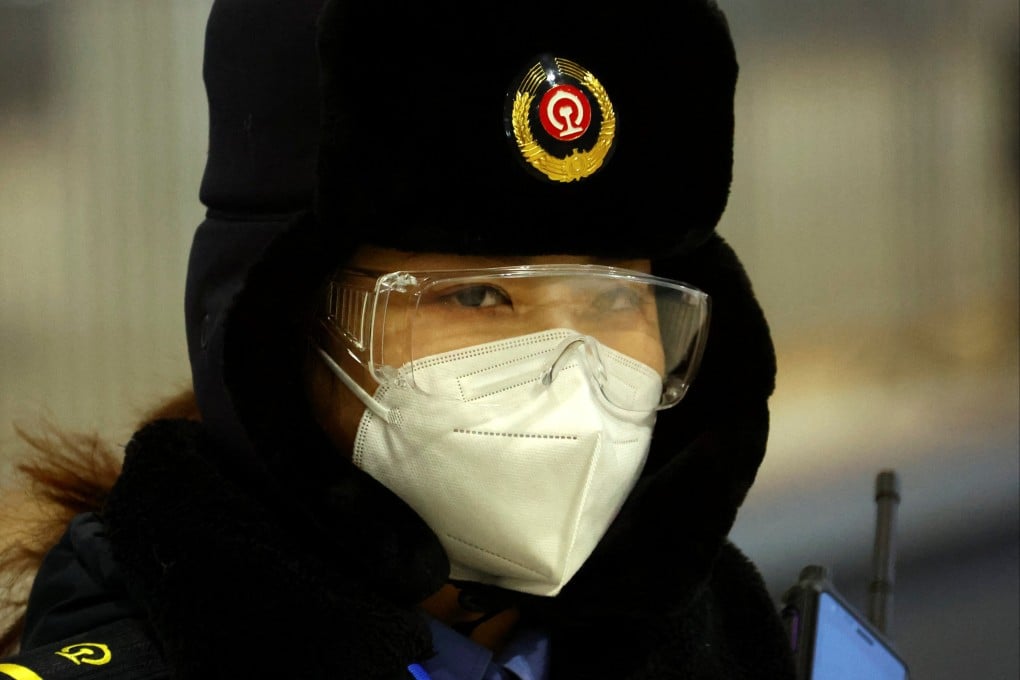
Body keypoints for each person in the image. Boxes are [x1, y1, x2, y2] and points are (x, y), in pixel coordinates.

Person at [0, 0, 797, 677]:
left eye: (616, 298)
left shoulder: (731, 642)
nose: (574, 378)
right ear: (283, 332)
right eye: (478, 296)